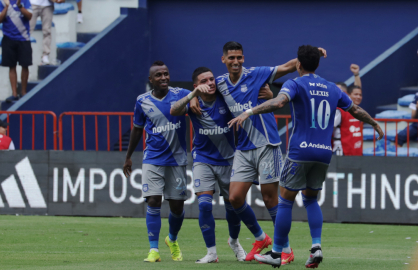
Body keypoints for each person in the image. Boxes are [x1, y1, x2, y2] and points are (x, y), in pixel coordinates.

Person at [228, 45, 383, 268]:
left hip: (300, 150)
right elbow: (355, 111)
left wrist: (249, 111)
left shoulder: (295, 83)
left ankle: (277, 252)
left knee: (284, 201)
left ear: (298, 64)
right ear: (318, 64)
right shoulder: (332, 88)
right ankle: (316, 246)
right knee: (310, 199)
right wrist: (374, 122)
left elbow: (279, 102)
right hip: (323, 153)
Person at [214, 41, 326, 263]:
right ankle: (260, 237)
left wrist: (313, 55)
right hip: (243, 147)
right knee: (234, 197)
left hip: (267, 144)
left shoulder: (257, 74)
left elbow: (288, 66)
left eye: (239, 57)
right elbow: (205, 91)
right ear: (223, 60)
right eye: (231, 58)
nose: (236, 61)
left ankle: (285, 249)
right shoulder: (220, 83)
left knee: (269, 197)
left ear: (243, 59)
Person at [170, 67, 272, 263]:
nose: (210, 83)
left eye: (211, 79)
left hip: (230, 160)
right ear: (196, 85)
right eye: (204, 81)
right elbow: (173, 110)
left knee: (233, 206)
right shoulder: (193, 102)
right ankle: (211, 253)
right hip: (203, 160)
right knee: (205, 205)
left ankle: (234, 241)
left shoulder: (225, 97)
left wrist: (270, 95)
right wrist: (193, 95)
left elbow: (251, 98)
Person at [123, 61, 196, 263]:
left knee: (177, 207)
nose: (163, 77)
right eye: (158, 75)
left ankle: (171, 239)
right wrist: (128, 156)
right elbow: (137, 128)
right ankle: (153, 250)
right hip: (153, 158)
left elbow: (198, 106)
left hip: (177, 159)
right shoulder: (142, 101)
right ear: (151, 79)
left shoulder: (181, 94)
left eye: (166, 74)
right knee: (153, 201)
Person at [0, 0, 32, 103]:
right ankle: (14, 93)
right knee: (11, 66)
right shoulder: (2, 2)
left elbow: (29, 16)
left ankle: (23, 92)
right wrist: (6, 7)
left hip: (24, 38)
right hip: (8, 38)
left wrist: (19, 6)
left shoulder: (25, 1)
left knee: (25, 65)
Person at [29, 0, 63, 65]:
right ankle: (21, 53)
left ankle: (45, 55)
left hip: (48, 5)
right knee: (27, 30)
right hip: (32, 3)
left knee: (47, 30)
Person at [333, 85, 364, 156]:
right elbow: (329, 128)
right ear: (348, 95)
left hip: (356, 151)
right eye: (356, 94)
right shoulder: (340, 111)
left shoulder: (358, 110)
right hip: (341, 152)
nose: (358, 97)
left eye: (360, 95)